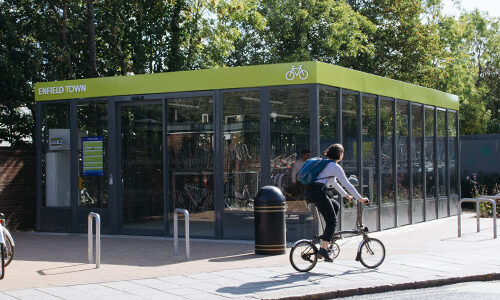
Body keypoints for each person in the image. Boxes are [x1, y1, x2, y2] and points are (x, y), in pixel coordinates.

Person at [305, 143, 369, 262]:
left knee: (335, 205)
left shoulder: (325, 163)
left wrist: (346, 195)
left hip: (312, 191)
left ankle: (326, 237)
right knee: (332, 222)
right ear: (340, 154)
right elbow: (347, 184)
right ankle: (323, 249)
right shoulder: (334, 166)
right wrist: (360, 198)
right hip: (318, 192)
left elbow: (334, 183)